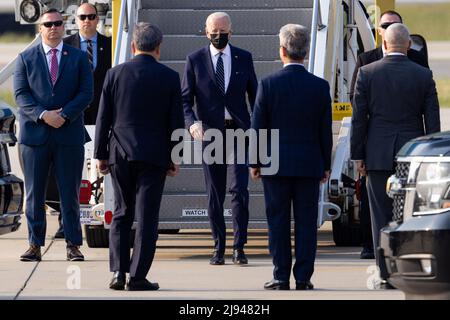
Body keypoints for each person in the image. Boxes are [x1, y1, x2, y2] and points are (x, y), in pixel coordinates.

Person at [94, 23, 184, 291]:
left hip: (120, 153)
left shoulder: (114, 74)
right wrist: (174, 156)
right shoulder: (169, 77)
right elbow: (175, 122)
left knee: (122, 212)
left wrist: (101, 154)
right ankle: (137, 276)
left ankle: (118, 273)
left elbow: (103, 118)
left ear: (133, 46)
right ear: (159, 47)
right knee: (147, 217)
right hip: (155, 155)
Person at [351, 23, 440, 289]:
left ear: (385, 45)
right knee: (411, 215)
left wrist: (358, 156)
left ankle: (385, 274)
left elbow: (359, 120)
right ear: (409, 46)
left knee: (380, 215)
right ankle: (409, 270)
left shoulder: (367, 72)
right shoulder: (423, 75)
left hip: (377, 153)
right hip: (413, 155)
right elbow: (432, 123)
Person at [250, 24, 332, 290]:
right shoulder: (320, 87)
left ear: (282, 51)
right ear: (306, 52)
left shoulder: (268, 84)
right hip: (309, 164)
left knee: (278, 221)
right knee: (307, 224)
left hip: (275, 165)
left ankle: (281, 275)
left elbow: (258, 127)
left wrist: (255, 161)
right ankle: (304, 277)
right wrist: (326, 165)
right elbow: (324, 131)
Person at [14, 8, 93, 262]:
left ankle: (73, 244)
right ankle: (34, 244)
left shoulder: (79, 57)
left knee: (69, 193)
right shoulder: (25, 58)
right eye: (48, 24)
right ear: (40, 28)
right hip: (35, 138)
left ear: (64, 26)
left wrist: (64, 115)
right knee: (34, 194)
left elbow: (86, 93)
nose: (53, 27)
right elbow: (21, 95)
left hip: (68, 135)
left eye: (58, 23)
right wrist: (43, 115)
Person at [181, 12, 258, 265]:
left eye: (222, 31)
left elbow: (255, 97)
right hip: (210, 134)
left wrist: (256, 129)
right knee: (215, 192)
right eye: (214, 32)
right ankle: (218, 247)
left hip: (237, 131)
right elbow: (185, 99)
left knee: (239, 190)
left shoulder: (244, 57)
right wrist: (191, 124)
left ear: (231, 32)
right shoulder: (194, 60)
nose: (218, 36)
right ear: (206, 32)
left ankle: (239, 246)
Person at [51, 2, 112, 239]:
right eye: (82, 17)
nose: (86, 21)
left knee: (100, 170)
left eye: (91, 16)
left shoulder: (109, 44)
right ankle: (65, 222)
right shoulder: (65, 46)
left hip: (101, 117)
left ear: (98, 20)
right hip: (73, 117)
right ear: (75, 20)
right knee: (68, 170)